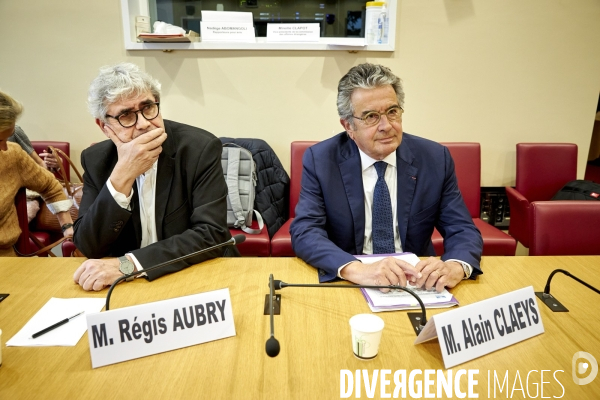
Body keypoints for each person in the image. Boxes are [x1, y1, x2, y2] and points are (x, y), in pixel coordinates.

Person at [290, 63, 483, 293]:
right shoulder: (321, 160)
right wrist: (355, 269)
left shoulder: (434, 158)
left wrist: (454, 266)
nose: (387, 126)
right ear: (348, 126)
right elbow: (306, 231)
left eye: (392, 112)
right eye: (371, 116)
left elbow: (462, 228)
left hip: (418, 283)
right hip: (352, 282)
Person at [73, 62, 236, 291]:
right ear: (104, 126)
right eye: (126, 115)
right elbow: (89, 245)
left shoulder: (199, 148)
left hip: (194, 274)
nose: (143, 124)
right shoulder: (96, 160)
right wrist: (123, 175)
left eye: (148, 107)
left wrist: (129, 265)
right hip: (128, 287)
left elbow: (211, 234)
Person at [0, 90, 74, 257]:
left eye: (8, 138)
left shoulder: (12, 154)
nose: (5, 148)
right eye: (0, 140)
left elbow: (49, 184)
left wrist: (67, 225)